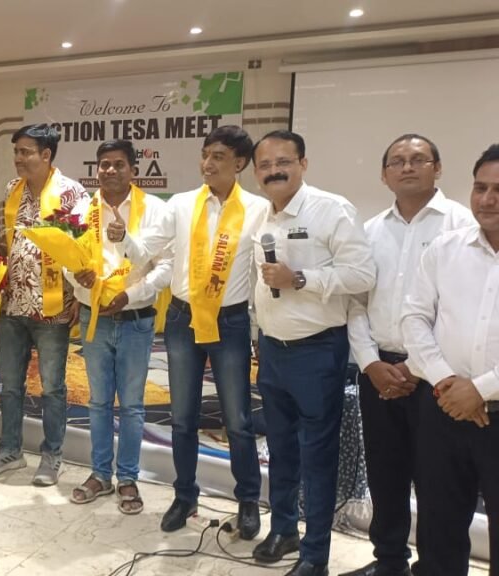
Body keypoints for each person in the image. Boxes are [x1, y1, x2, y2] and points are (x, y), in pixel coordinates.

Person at [117, 126, 267, 537]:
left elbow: (260, 272)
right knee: (182, 418)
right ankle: (185, 496)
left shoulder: (257, 209)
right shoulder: (182, 204)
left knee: (237, 420)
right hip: (183, 320)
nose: (208, 163)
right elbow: (146, 249)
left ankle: (248, 501)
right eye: (205, 154)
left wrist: (261, 329)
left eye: (218, 156)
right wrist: (124, 238)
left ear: (239, 163)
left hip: (230, 321)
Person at [343, 134, 474, 576]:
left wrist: (418, 368)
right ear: (384, 175)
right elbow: (355, 302)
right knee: (386, 471)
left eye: (419, 159)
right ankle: (389, 561)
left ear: (438, 168)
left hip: (439, 375)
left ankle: (436, 567)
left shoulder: (462, 226)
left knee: (440, 482)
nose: (407, 167)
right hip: (379, 370)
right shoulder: (370, 231)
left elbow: (463, 308)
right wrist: (370, 363)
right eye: (397, 161)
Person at [251, 130, 375, 576]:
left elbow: (362, 274)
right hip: (272, 349)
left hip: (317, 352)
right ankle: (283, 529)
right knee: (281, 448)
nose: (274, 171)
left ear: (303, 163)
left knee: (317, 456)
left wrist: (301, 279)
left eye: (283, 162)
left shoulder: (332, 209)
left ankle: (314, 555)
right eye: (265, 165)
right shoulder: (262, 215)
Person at [401, 143, 499, 576]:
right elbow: (413, 319)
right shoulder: (445, 249)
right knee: (438, 531)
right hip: (442, 410)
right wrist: (446, 382)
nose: (487, 199)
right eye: (480, 187)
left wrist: (480, 389)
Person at [0, 123, 88, 486]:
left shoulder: (72, 193)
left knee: (53, 387)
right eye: (16, 151)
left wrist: (78, 296)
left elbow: (83, 250)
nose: (19, 158)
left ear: (46, 154)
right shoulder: (12, 189)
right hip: (13, 305)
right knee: (10, 384)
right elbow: (7, 241)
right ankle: (10, 450)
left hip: (53, 309)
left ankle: (52, 456)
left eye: (25, 152)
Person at [67, 140, 170, 514]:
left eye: (119, 164)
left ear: (133, 170)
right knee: (97, 402)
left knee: (131, 405)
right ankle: (99, 474)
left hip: (135, 320)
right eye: (104, 164)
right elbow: (66, 259)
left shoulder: (155, 210)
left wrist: (131, 295)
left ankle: (127, 478)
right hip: (93, 316)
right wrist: (78, 278)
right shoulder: (81, 210)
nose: (110, 170)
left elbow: (166, 267)